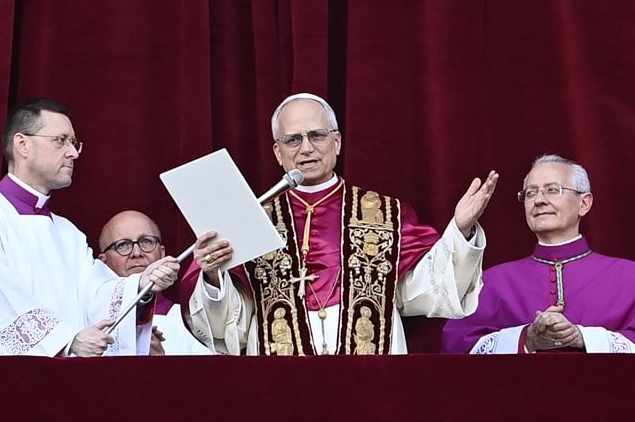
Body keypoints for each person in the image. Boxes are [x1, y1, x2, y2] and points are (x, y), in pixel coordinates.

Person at [183, 92, 498, 355]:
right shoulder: (251, 219)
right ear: (278, 153)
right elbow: (231, 325)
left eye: (317, 135)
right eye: (293, 140)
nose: (306, 148)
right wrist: (212, 275)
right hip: (277, 387)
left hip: (372, 381)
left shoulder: (386, 214)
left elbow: (429, 290)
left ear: (336, 142)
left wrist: (461, 231)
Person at [0, 98, 179, 356]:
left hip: (61, 376)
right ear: (22, 144)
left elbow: (95, 294)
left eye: (74, 143)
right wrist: (66, 341)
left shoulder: (68, 233)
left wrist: (141, 284)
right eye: (60, 140)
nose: (73, 153)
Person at [441, 155, 635, 354]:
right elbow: (456, 350)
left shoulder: (631, 277)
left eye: (553, 190)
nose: (539, 200)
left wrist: (582, 337)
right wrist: (526, 338)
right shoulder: (490, 281)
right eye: (530, 193)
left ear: (584, 203)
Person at [98, 210, 213, 355]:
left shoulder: (192, 322)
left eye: (146, 242)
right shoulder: (89, 324)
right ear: (103, 261)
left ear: (162, 253)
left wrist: (160, 363)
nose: (137, 253)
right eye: (122, 245)